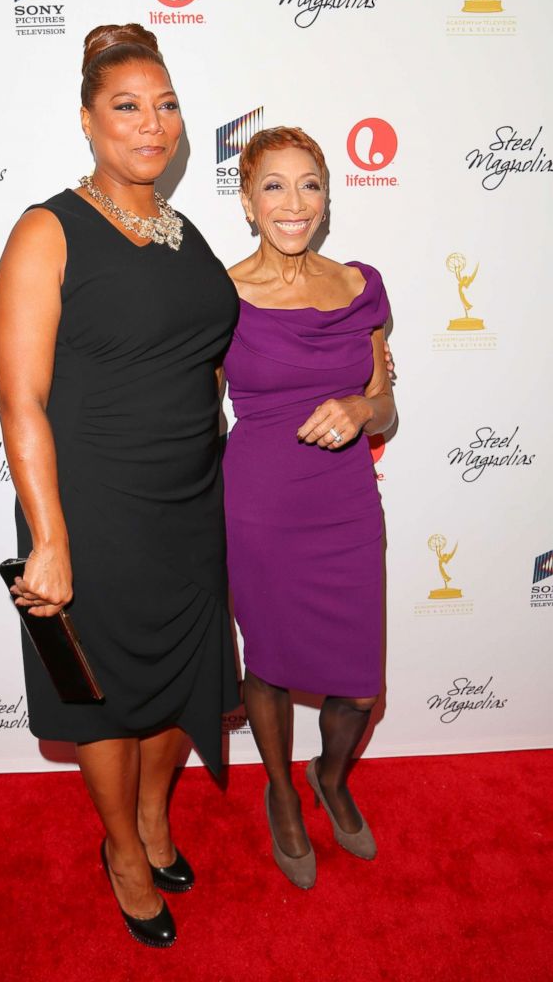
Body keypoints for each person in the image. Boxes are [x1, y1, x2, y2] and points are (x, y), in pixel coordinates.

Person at [0, 24, 239, 946]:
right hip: (92, 501)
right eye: (127, 107)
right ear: (88, 120)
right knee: (101, 689)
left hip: (189, 495)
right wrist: (49, 539)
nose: (152, 124)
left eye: (166, 104)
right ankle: (123, 854)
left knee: (183, 677)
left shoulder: (184, 230)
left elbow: (206, 357)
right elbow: (20, 399)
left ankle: (152, 816)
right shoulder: (47, 229)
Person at [222, 127, 396, 889]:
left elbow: (385, 408)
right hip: (258, 503)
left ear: (327, 197)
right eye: (273, 186)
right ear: (247, 199)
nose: (293, 204)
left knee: (358, 685)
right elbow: (196, 416)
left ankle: (331, 777)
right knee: (265, 664)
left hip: (345, 503)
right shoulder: (216, 295)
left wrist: (360, 408)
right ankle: (281, 791)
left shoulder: (364, 287)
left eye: (310, 185)